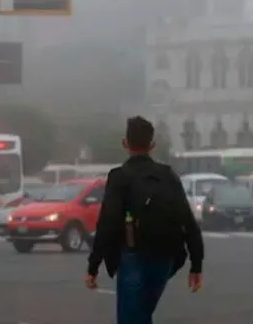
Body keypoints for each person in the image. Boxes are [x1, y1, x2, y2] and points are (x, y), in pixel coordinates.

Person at [85, 116, 204, 324]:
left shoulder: (119, 176)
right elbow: (187, 218)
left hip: (132, 254)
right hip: (165, 256)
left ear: (125, 143)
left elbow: (108, 223)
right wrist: (196, 264)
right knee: (142, 314)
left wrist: (93, 266)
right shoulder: (167, 175)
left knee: (132, 318)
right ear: (152, 145)